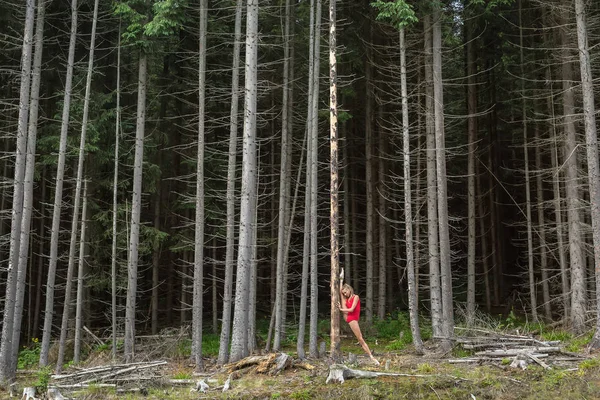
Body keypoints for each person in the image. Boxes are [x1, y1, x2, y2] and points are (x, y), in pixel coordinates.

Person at [339, 280, 380, 365]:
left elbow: (352, 309)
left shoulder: (356, 297)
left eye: (345, 292)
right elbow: (341, 292)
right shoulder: (346, 298)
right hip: (349, 317)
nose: (345, 294)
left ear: (349, 289)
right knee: (360, 339)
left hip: (352, 317)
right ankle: (371, 356)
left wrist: (341, 309)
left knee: (360, 339)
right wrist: (341, 280)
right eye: (344, 293)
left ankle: (371, 357)